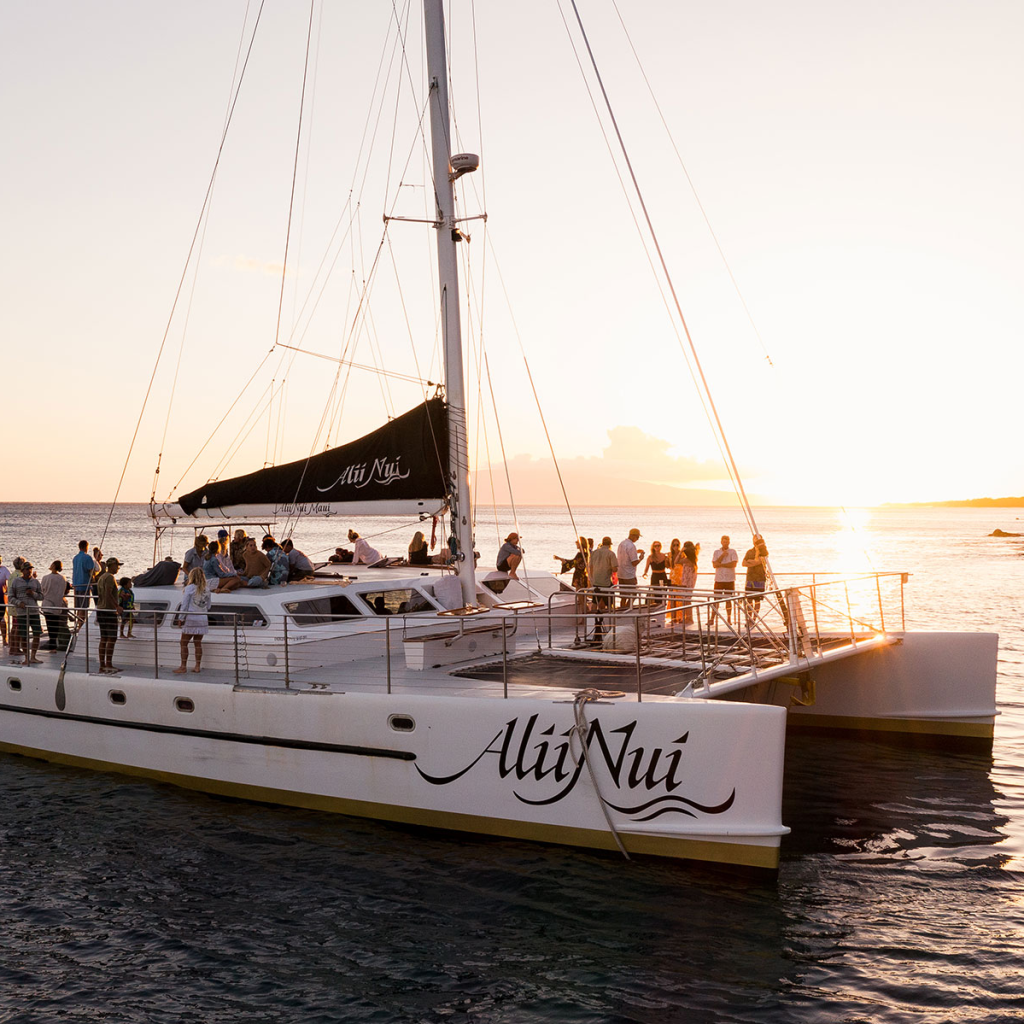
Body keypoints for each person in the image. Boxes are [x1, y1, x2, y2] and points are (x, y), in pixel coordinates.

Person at [175, 568, 210, 674]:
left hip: (191, 618)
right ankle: (197, 666)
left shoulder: (189, 588)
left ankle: (183, 666)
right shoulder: (206, 589)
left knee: (183, 643)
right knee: (198, 643)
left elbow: (184, 604)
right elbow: (208, 605)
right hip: (202, 618)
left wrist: (181, 618)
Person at [10, 561, 43, 665]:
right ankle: (26, 657)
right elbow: (10, 597)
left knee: (37, 633)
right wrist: (19, 603)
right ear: (22, 570)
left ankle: (33, 656)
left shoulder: (36, 582)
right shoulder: (16, 581)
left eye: (30, 569)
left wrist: (33, 593)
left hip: (34, 611)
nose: (29, 571)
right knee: (24, 635)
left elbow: (42, 596)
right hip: (22, 612)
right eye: (27, 569)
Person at [95, 557, 122, 673]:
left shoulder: (101, 577)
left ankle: (102, 665)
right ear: (111, 566)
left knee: (103, 638)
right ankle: (109, 664)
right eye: (117, 565)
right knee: (112, 638)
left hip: (100, 609)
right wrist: (117, 606)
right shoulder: (110, 578)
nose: (118, 568)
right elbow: (108, 593)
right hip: (108, 611)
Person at [40, 561, 71, 650]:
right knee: (55, 626)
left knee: (50, 625)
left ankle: (52, 645)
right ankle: (54, 646)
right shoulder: (63, 578)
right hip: (57, 605)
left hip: (47, 604)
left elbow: (42, 590)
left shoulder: (46, 578)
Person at [712, 534, 739, 625]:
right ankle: (712, 618)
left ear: (729, 542)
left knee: (728, 600)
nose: (725, 543)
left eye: (727, 541)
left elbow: (733, 564)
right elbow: (714, 565)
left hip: (729, 579)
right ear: (721, 542)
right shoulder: (717, 552)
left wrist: (721, 564)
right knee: (716, 599)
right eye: (724, 541)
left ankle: (729, 619)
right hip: (719, 579)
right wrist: (722, 556)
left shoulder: (732, 551)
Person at [616, 529, 644, 608]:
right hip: (629, 575)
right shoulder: (631, 546)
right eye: (637, 537)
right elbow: (634, 562)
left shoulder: (621, 544)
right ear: (633, 536)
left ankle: (622, 609)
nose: (638, 539)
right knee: (634, 594)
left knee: (623, 596)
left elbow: (625, 555)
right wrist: (641, 559)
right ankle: (628, 609)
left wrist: (636, 551)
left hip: (621, 574)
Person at [742, 534, 770, 613]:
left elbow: (759, 561)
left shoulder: (764, 552)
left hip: (759, 578)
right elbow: (743, 563)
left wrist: (750, 562)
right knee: (749, 599)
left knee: (757, 600)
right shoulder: (749, 551)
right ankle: (750, 617)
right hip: (750, 578)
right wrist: (753, 562)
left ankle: (755, 618)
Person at [72, 539, 95, 628]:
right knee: (84, 608)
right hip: (84, 585)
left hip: (76, 585)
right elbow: (91, 570)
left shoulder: (75, 558)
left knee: (78, 607)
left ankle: (78, 626)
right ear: (86, 547)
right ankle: (81, 627)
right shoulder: (87, 557)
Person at [643, 540, 668, 605]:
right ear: (653, 547)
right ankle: (656, 605)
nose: (657, 547)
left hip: (662, 575)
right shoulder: (650, 557)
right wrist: (645, 573)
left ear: (661, 547)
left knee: (663, 592)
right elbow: (647, 567)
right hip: (655, 576)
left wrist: (668, 559)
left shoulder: (664, 556)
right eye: (655, 546)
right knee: (655, 592)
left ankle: (663, 604)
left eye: (658, 545)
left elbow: (668, 566)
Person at [0, 554, 9, 648]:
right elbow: (10, 580)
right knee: (3, 620)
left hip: (2, 598)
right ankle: (4, 640)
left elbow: (10, 580)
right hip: (2, 598)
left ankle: (4, 639)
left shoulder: (4, 570)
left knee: (3, 620)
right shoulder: (4, 570)